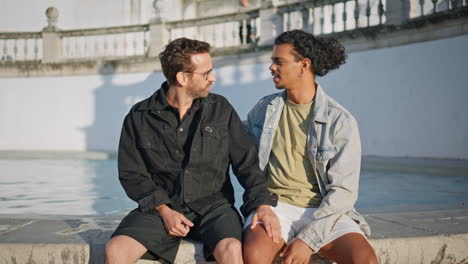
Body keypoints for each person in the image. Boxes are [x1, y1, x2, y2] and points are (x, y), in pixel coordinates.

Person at [105, 37, 279, 264]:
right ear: (182, 77)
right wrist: (164, 210)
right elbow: (132, 174)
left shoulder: (221, 109)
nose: (213, 78)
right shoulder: (139, 116)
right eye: (206, 74)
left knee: (232, 249)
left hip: (214, 207)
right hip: (161, 208)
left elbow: (246, 163)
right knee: (115, 250)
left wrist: (262, 204)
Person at [243, 30, 378, 264]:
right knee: (255, 255)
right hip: (275, 207)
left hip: (324, 211)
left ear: (304, 65)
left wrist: (307, 241)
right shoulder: (265, 109)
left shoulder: (340, 121)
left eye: (279, 61)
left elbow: (344, 192)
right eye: (272, 61)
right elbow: (236, 144)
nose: (271, 67)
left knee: (364, 260)